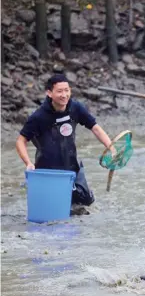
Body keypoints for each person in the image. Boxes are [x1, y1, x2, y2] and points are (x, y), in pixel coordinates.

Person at [15, 74, 113, 209]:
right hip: (48, 171)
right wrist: (28, 163)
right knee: (52, 210)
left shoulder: (75, 108)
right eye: (59, 91)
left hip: (72, 167)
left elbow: (95, 128)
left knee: (85, 205)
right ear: (49, 93)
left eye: (67, 90)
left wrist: (111, 147)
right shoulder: (39, 117)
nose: (64, 95)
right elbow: (20, 141)